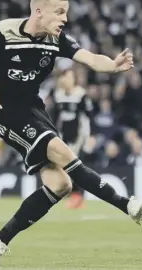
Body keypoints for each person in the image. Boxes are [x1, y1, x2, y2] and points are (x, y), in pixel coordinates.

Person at [0, 0, 142, 266]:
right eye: (59, 12)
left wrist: (112, 66)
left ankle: (0, 238)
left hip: (34, 109)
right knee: (62, 152)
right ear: (38, 11)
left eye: (65, 13)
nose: (64, 18)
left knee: (61, 184)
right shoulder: (4, 32)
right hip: (5, 111)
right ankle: (127, 204)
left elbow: (90, 59)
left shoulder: (56, 40)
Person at [51, 69, 93, 209]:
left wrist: (90, 136)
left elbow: (88, 116)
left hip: (79, 136)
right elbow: (54, 117)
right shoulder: (58, 95)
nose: (67, 80)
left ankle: (78, 196)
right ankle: (70, 194)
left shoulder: (81, 95)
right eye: (65, 77)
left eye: (69, 77)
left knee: (76, 166)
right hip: (63, 136)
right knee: (62, 166)